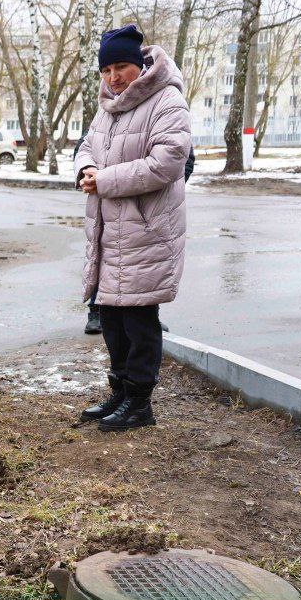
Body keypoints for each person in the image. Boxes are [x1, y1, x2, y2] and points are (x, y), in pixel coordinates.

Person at [75, 25, 190, 431]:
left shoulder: (166, 99)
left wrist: (104, 180)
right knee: (110, 319)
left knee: (139, 320)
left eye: (120, 67)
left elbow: (168, 162)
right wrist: (86, 168)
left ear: (139, 64)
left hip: (146, 231)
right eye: (106, 70)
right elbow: (87, 145)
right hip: (109, 233)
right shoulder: (107, 104)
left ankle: (140, 403)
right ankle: (121, 391)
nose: (113, 77)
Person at [83, 145, 194, 335]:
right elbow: (85, 148)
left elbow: (176, 159)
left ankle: (147, 318)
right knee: (105, 262)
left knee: (143, 272)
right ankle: (96, 311)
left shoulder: (166, 124)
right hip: (108, 207)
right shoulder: (102, 124)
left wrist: (162, 189)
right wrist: (87, 172)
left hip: (148, 209)